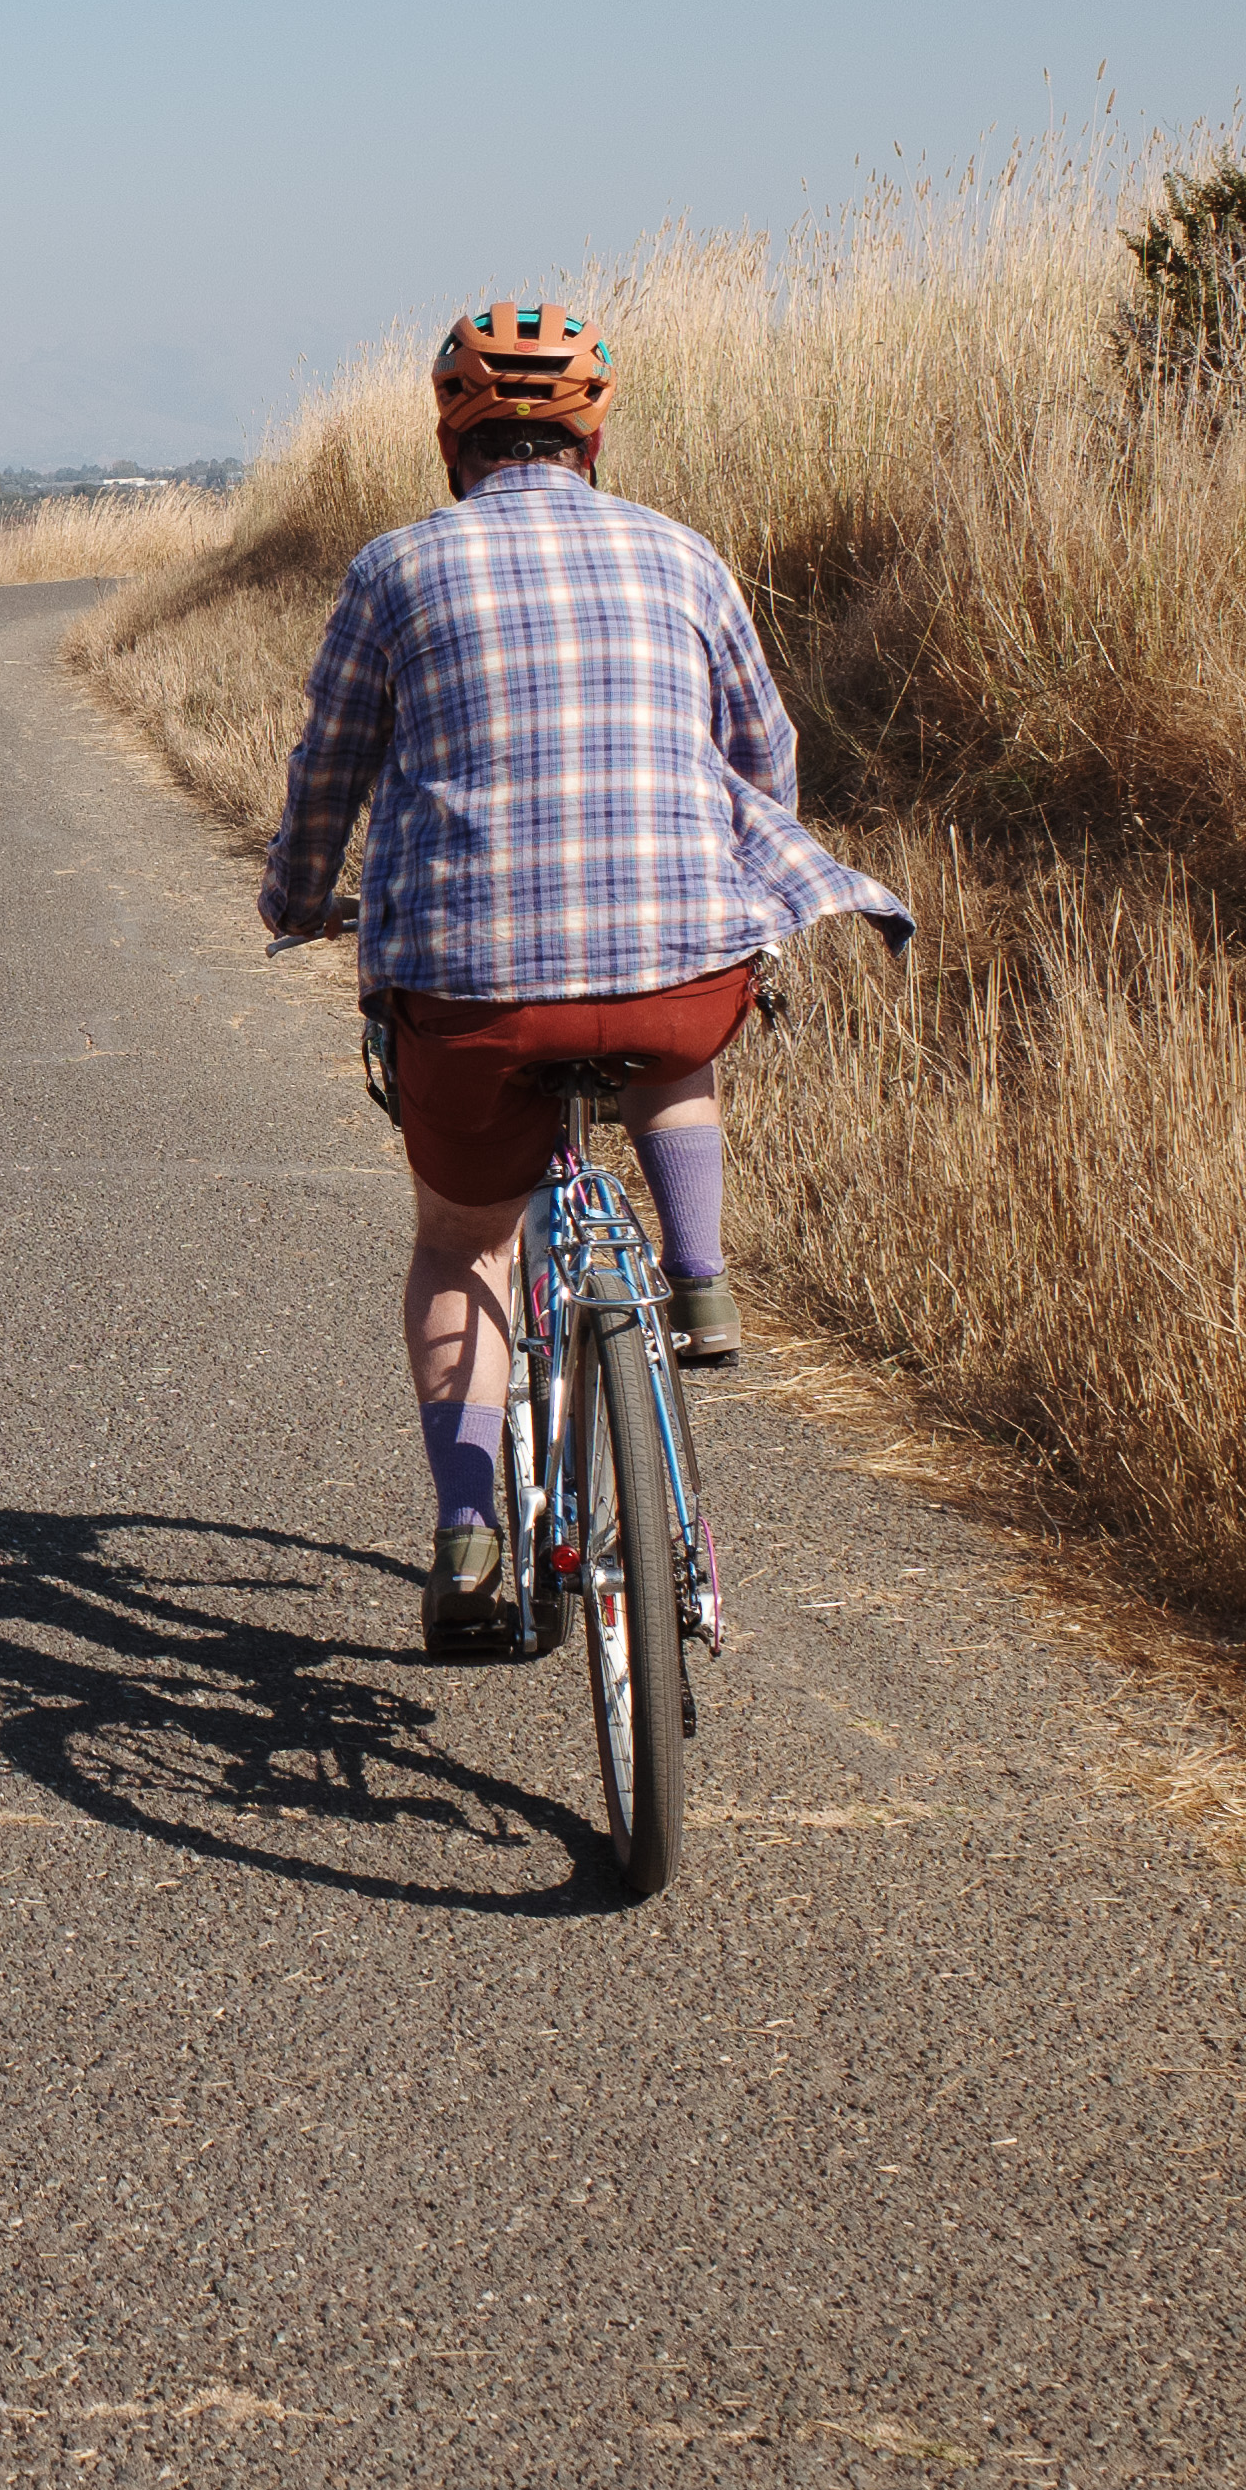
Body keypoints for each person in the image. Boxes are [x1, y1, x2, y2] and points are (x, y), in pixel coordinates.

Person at [250, 302, 908, 1650]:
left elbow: (328, 775)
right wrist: (737, 873)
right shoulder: (682, 556)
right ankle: (703, 1276)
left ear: (453, 438)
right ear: (592, 436)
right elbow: (764, 751)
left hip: (473, 998)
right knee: (679, 1053)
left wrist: (296, 899)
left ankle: (466, 1535)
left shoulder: (394, 571)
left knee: (460, 1238)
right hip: (676, 971)